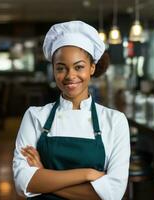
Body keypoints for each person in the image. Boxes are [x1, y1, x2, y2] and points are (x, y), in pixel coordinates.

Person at [13, 21, 130, 200]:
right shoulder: (35, 116)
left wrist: (44, 175)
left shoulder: (115, 121)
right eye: (61, 68)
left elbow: (112, 194)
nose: (70, 76)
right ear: (53, 69)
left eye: (79, 67)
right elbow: (23, 183)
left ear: (92, 67)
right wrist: (87, 174)